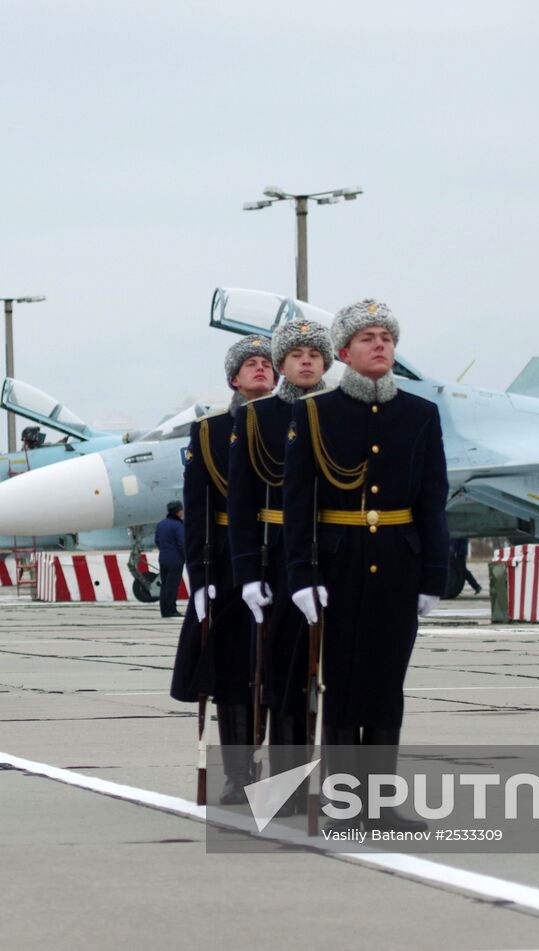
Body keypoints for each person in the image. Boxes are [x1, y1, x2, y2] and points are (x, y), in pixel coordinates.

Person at [283, 299, 449, 831]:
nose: (381, 345)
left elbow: (431, 497)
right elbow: (298, 502)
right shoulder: (315, 413)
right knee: (343, 684)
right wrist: (302, 575)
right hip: (338, 566)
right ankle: (343, 802)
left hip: (398, 564)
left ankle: (380, 803)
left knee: (385, 684)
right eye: (368, 338)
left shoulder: (420, 414)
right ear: (344, 352)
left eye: (387, 337)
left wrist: (433, 575)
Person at [227, 318, 333, 792]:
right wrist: (249, 572)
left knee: (344, 680)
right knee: (286, 676)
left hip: (342, 559)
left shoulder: (346, 411)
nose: (307, 359)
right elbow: (243, 503)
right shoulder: (260, 418)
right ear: (282, 364)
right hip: (279, 562)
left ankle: (346, 788)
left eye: (316, 352)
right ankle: (286, 786)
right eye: (296, 353)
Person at [170, 334, 275, 803]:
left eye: (267, 364)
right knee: (234, 675)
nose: (260, 369)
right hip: (230, 566)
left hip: (284, 558)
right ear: (234, 378)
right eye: (250, 364)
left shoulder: (301, 423)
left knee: (282, 673)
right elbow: (198, 512)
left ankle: (282, 777)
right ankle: (238, 775)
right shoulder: (210, 433)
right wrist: (200, 580)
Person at [154, 501, 186, 618]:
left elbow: (157, 540)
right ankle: (172, 610)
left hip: (163, 558)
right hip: (176, 560)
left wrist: (164, 550)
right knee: (172, 586)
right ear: (178, 511)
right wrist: (186, 557)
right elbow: (182, 543)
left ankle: (164, 610)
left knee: (164, 585)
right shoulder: (178, 525)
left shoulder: (161, 524)